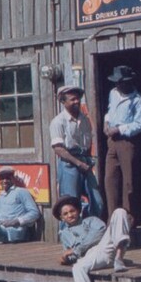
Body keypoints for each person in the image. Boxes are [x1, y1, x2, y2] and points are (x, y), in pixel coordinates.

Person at [55, 195, 131, 282]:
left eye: (72, 211)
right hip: (91, 258)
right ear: (62, 218)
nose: (70, 215)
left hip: (106, 248)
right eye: (65, 214)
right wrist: (65, 259)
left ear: (78, 211)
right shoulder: (65, 234)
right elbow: (72, 256)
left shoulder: (92, 221)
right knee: (77, 268)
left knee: (120, 212)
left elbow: (99, 234)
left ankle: (119, 258)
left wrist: (77, 249)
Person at [49, 85, 104, 220]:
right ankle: (68, 231)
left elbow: (88, 143)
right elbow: (58, 149)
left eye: (78, 98)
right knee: (69, 204)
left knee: (97, 201)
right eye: (72, 99)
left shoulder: (84, 119)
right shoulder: (58, 122)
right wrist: (78, 163)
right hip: (69, 164)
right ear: (63, 101)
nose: (76, 101)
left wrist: (87, 161)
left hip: (84, 161)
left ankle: (90, 227)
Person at [103, 65, 141, 225]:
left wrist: (119, 129)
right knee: (110, 179)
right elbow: (109, 110)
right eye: (116, 82)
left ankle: (129, 218)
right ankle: (112, 218)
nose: (117, 85)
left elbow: (139, 125)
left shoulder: (138, 100)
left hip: (127, 141)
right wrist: (106, 123)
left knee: (128, 182)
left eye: (120, 82)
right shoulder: (113, 93)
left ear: (128, 82)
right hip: (112, 141)